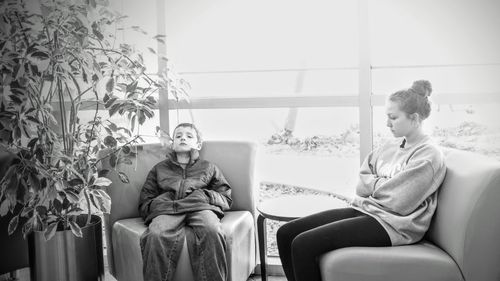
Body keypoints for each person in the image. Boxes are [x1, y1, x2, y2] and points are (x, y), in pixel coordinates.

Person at [276, 80, 446, 281]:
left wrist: (373, 185)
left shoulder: (428, 155)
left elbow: (399, 202)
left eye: (393, 117)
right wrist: (384, 186)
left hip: (393, 225)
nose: (387, 123)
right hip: (366, 210)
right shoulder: (390, 146)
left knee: (302, 244)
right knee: (285, 233)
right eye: (386, 117)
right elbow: (361, 183)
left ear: (415, 118)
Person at [138, 123, 232, 281]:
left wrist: (204, 196)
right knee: (155, 234)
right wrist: (158, 205)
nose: (183, 138)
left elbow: (225, 197)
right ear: (172, 143)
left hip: (200, 208)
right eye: (178, 135)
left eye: (189, 136)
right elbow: (145, 200)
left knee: (212, 230)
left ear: (198, 144)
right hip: (168, 210)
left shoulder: (208, 167)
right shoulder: (159, 169)